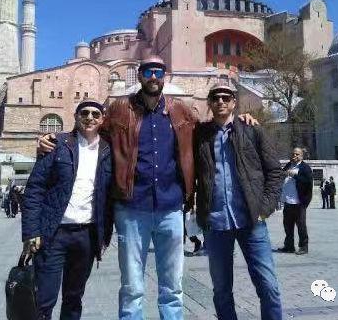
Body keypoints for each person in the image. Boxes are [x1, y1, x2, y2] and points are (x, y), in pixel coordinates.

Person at [36, 56, 256, 319]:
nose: (153, 76)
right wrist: (56, 139)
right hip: (131, 209)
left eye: (158, 72)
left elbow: (208, 131)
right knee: (132, 287)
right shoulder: (120, 108)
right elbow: (90, 130)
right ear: (139, 75)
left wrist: (239, 119)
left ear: (165, 77)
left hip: (171, 209)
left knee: (172, 286)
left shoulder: (181, 111)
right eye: (148, 71)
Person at [194, 83, 284, 320]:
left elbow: (275, 171)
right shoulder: (200, 135)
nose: (221, 101)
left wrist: (265, 208)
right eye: (216, 98)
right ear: (209, 103)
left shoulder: (252, 129)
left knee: (268, 286)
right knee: (221, 290)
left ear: (234, 102)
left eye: (226, 97)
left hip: (251, 220)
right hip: (216, 222)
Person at [22, 99, 114, 320]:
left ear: (102, 119)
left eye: (95, 114)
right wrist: (31, 232)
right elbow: (35, 188)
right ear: (75, 117)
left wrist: (105, 235)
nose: (90, 117)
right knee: (44, 299)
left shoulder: (108, 150)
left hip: (87, 235)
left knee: (74, 298)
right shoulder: (58, 144)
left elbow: (110, 196)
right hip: (54, 234)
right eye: (84, 113)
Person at [277, 147, 313, 255]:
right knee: (287, 226)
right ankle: (289, 246)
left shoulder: (305, 168)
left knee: (301, 226)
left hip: (299, 202)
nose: (295, 156)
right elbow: (282, 174)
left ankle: (303, 247)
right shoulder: (289, 165)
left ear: (302, 156)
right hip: (288, 201)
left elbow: (307, 181)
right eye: (293, 154)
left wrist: (295, 175)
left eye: (297, 154)